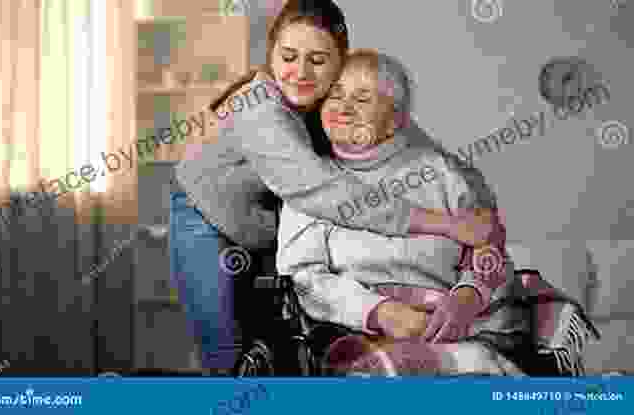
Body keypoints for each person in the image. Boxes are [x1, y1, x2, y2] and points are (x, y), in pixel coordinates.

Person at [170, 0, 501, 375]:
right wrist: (445, 224)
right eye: (289, 56)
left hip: (266, 221)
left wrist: (480, 209)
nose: (299, 72)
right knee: (228, 355)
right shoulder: (259, 108)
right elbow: (321, 192)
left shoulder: (336, 91)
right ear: (272, 54)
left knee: (274, 350)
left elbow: (417, 142)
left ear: (339, 61)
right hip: (205, 217)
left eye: (318, 59)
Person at [276, 49, 531, 376]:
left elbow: (487, 245)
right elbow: (305, 277)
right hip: (359, 329)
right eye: (335, 95)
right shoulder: (310, 182)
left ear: (395, 118)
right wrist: (382, 313)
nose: (343, 107)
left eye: (363, 98)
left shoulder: (440, 171)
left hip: (454, 320)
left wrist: (468, 295)